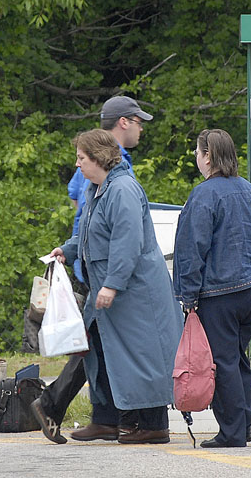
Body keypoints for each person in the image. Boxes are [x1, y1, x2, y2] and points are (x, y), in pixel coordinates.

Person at [46, 129, 182, 445]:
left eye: (81, 158)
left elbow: (127, 241)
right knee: (103, 351)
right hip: (112, 290)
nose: (77, 164)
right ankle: (108, 420)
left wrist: (112, 284)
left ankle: (154, 425)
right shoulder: (98, 188)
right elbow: (91, 233)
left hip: (136, 291)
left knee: (144, 355)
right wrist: (67, 250)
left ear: (98, 158)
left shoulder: (122, 190)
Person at [32, 95, 152, 444]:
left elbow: (91, 217)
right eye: (137, 121)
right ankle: (67, 408)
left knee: (94, 346)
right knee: (93, 345)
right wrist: (78, 253)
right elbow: (104, 227)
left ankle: (101, 417)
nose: (141, 128)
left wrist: (78, 252)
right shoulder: (109, 170)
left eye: (80, 159)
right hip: (101, 277)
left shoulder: (113, 178)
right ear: (123, 122)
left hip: (102, 275)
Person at [173, 129, 251, 448]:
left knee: (222, 359)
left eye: (197, 152)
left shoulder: (204, 195)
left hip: (222, 289)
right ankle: (246, 423)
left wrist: (188, 295)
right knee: (235, 355)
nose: (196, 157)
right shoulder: (250, 191)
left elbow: (192, 248)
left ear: (208, 156)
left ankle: (231, 432)